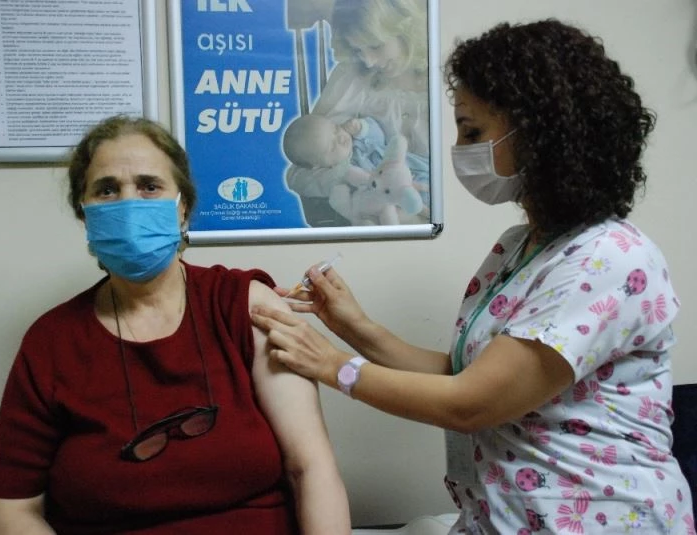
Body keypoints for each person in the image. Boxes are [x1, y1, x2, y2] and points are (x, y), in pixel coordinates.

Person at [253, 20, 695, 533]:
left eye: (473, 132)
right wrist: (351, 325)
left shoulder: (610, 259)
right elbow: (461, 375)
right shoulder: (519, 246)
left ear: (537, 134)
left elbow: (471, 404)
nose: (460, 148)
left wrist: (332, 365)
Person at [0, 115, 351, 534]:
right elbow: (14, 511)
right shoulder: (51, 343)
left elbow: (311, 469)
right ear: (84, 215)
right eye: (107, 190)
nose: (129, 204)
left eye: (149, 186)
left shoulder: (245, 307)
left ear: (183, 208)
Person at [288, 0, 431, 226]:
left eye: (375, 46)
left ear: (404, 30)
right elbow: (301, 172)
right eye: (357, 50)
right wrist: (361, 179)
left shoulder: (445, 80)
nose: (368, 61)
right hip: (376, 212)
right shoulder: (352, 77)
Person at [282, 114, 430, 224]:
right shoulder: (340, 172)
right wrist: (339, 173)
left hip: (408, 167)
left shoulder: (356, 138)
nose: (340, 138)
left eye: (335, 129)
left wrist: (361, 128)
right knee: (420, 203)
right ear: (318, 165)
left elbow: (380, 138)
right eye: (332, 147)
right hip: (395, 196)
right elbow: (299, 181)